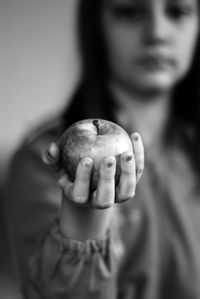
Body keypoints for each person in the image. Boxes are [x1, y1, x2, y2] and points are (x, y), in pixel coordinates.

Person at [5, 0, 200, 298]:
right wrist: (82, 224)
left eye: (178, 11)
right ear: (96, 26)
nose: (157, 33)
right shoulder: (45, 161)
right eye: (129, 12)